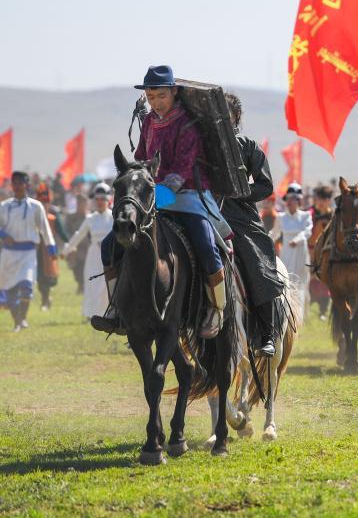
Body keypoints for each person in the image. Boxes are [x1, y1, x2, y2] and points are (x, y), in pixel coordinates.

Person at [93, 64, 232, 339]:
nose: (155, 102)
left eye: (161, 96)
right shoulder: (147, 123)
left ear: (174, 92)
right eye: (151, 97)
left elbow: (181, 172)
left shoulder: (188, 126)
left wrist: (156, 196)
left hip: (188, 196)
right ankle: (116, 308)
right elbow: (142, 159)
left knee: (206, 245)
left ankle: (217, 308)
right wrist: (138, 188)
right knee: (110, 244)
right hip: (153, 199)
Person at [220, 92, 286, 356]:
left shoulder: (248, 146)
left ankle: (266, 333)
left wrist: (238, 192)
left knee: (257, 259)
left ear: (237, 116)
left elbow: (265, 184)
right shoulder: (199, 144)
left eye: (228, 112)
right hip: (205, 209)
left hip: (239, 215)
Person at [0, 171, 57, 331]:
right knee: (10, 290)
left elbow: (45, 229)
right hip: (9, 254)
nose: (17, 186)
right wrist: (3, 235)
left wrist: (51, 249)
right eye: (14, 183)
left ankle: (22, 318)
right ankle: (16, 322)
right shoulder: (4, 206)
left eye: (20, 183)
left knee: (26, 288)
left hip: (28, 253)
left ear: (27, 185)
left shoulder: (35, 206)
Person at [64, 183, 114, 321]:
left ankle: (107, 313)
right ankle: (91, 313)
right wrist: (66, 250)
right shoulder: (90, 218)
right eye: (97, 199)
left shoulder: (113, 217)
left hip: (109, 256)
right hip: (93, 256)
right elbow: (78, 235)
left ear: (108, 200)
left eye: (102, 199)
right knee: (92, 284)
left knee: (105, 286)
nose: (99, 202)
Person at [272, 184, 312, 308]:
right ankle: (287, 309)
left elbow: (308, 231)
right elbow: (274, 234)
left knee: (301, 282)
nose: (291, 202)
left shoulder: (306, 216)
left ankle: (300, 312)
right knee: (287, 279)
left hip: (301, 252)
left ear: (298, 201)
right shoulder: (281, 217)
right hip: (287, 252)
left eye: (294, 199)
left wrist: (297, 240)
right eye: (289, 199)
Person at [32, 182, 63, 311]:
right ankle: (44, 299)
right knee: (39, 276)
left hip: (49, 248)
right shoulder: (34, 211)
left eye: (45, 199)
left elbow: (61, 230)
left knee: (49, 276)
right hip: (36, 249)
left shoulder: (54, 212)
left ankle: (46, 298)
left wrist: (67, 243)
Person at [308, 185, 335, 321]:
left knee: (324, 280)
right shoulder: (310, 213)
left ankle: (323, 311)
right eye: (319, 198)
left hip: (326, 252)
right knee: (309, 279)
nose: (321, 201)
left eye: (324, 198)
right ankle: (306, 309)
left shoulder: (332, 215)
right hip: (310, 250)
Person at [64, 192, 90, 295]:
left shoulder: (90, 217)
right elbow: (67, 231)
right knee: (76, 267)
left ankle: (82, 286)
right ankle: (80, 284)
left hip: (87, 247)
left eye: (83, 203)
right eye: (79, 203)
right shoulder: (71, 217)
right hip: (75, 247)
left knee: (85, 267)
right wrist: (70, 244)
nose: (81, 206)